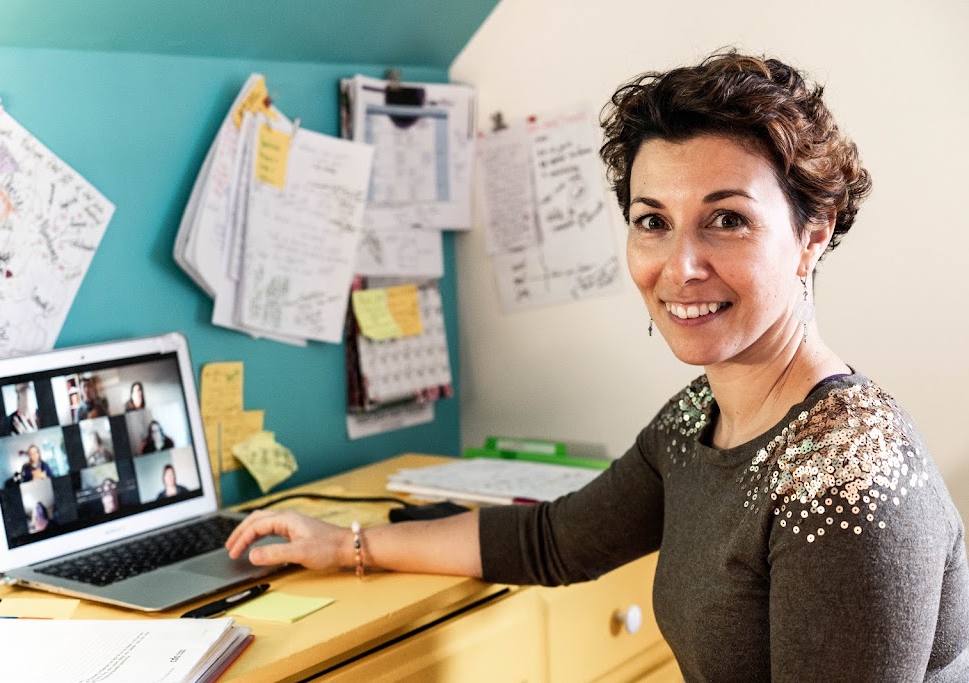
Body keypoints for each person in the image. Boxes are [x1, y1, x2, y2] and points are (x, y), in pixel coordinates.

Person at [226, 51, 969, 680]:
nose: (680, 266)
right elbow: (555, 540)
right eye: (653, 222)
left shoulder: (850, 485)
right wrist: (346, 543)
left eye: (728, 220)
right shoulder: (700, 418)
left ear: (812, 234)